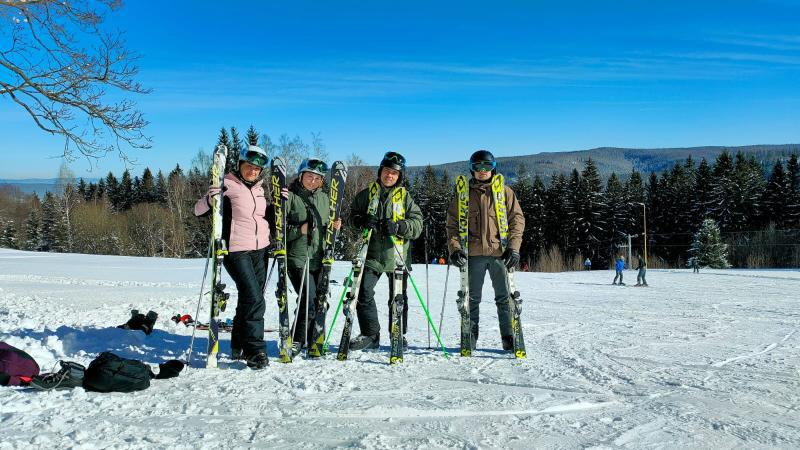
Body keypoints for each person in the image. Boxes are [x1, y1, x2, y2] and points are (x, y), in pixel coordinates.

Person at [194, 145, 272, 370]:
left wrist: (279, 203)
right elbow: (197, 211)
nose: (253, 171)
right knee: (255, 299)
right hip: (236, 250)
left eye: (257, 169)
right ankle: (254, 350)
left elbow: (261, 217)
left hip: (261, 249)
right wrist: (210, 199)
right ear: (239, 165)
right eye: (249, 166)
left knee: (250, 298)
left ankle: (237, 343)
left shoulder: (259, 189)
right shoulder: (226, 184)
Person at [445, 149, 525, 352]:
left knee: (504, 297)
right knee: (471, 298)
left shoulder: (504, 192)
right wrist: (455, 249)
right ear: (472, 169)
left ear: (493, 168)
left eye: (486, 167)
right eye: (477, 167)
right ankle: (470, 336)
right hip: (473, 254)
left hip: (500, 253)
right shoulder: (463, 194)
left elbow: (517, 220)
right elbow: (452, 224)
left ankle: (508, 336)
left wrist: (514, 249)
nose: (482, 171)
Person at [348, 151, 423, 351]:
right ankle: (370, 334)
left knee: (398, 298)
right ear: (380, 171)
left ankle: (398, 333)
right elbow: (352, 216)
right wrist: (360, 220)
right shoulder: (367, 194)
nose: (390, 175)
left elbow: (418, 225)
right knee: (363, 293)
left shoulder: (405, 197)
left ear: (400, 176)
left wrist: (399, 226)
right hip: (371, 254)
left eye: (395, 173)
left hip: (397, 255)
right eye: (387, 171)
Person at [284, 158, 341, 356]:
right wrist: (300, 229)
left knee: (320, 300)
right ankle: (297, 339)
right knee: (308, 300)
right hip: (298, 258)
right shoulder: (290, 197)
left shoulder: (326, 199)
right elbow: (279, 231)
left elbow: (325, 230)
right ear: (300, 176)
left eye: (318, 178)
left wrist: (334, 229)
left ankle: (315, 339)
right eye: (309, 176)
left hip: (319, 257)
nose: (313, 181)